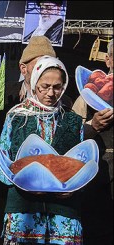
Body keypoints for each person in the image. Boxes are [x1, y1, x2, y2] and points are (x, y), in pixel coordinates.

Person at [0, 56, 84, 244]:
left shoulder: (73, 120)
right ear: (35, 84)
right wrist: (20, 182)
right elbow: (1, 160)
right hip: (23, 208)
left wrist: (75, 187)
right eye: (45, 86)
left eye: (57, 87)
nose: (51, 93)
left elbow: (82, 164)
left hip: (63, 210)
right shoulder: (17, 116)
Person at [0, 36, 57, 245]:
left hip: (44, 183)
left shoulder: (62, 101)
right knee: (1, 233)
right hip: (6, 180)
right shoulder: (3, 94)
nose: (46, 70)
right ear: (24, 69)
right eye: (39, 65)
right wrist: (0, 149)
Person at [72, 39, 113, 244]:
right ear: (108, 60)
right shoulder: (88, 95)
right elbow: (70, 136)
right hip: (97, 180)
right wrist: (92, 125)